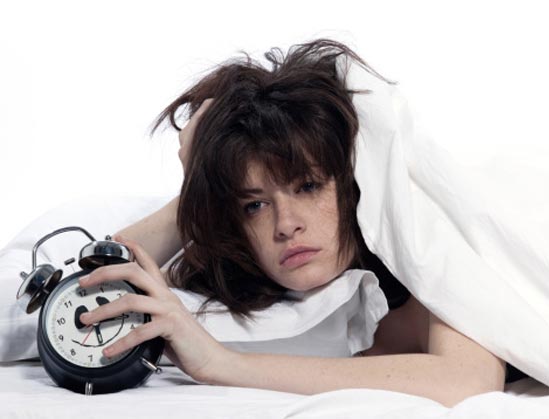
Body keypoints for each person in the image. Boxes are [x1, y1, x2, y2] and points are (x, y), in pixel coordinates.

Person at [77, 38, 515, 407]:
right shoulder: (252, 284)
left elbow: (468, 380)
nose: (285, 225)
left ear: (353, 185)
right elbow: (76, 291)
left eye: (308, 186)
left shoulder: (423, 250)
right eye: (254, 205)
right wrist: (201, 193)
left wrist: (220, 364)